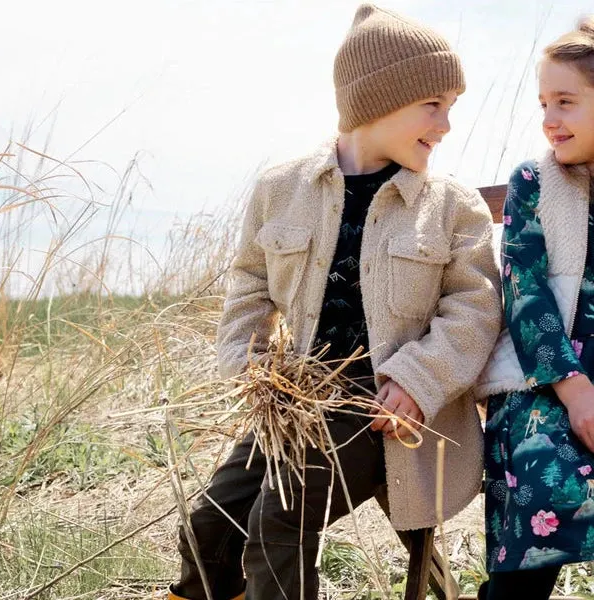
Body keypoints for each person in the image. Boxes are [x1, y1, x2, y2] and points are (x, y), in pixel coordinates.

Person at [169, 4, 501, 599]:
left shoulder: (451, 206)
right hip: (297, 402)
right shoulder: (282, 188)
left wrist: (416, 382)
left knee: (280, 519)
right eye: (434, 105)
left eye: (452, 106)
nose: (447, 124)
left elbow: (474, 309)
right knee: (210, 526)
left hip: (384, 412)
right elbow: (249, 281)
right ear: (376, 102)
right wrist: (249, 366)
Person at [475, 16, 594, 600]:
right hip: (543, 379)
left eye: (566, 102)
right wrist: (576, 392)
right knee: (547, 481)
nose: (549, 118)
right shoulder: (534, 182)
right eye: (544, 102)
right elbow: (524, 290)